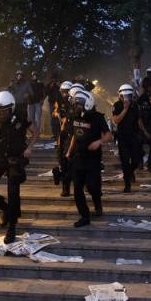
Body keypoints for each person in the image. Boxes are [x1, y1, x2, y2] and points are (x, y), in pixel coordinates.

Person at [0, 91, 38, 244]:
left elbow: (35, 132)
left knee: (13, 190)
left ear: (11, 108)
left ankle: (12, 226)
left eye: (4, 110)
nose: (1, 114)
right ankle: (4, 207)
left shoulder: (22, 115)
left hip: (15, 157)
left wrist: (29, 147)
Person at [65, 90, 112, 227]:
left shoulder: (98, 117)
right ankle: (84, 216)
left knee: (92, 187)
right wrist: (69, 152)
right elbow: (75, 135)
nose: (77, 107)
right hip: (78, 157)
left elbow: (109, 135)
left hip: (93, 159)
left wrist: (98, 142)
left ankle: (98, 203)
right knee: (77, 189)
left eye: (79, 104)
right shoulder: (76, 117)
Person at [112, 84, 142, 192]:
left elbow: (138, 120)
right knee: (124, 161)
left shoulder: (135, 105)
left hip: (134, 136)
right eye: (124, 96)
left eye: (128, 95)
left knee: (136, 160)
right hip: (123, 137)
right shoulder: (117, 105)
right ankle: (127, 184)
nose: (126, 98)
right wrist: (125, 109)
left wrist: (143, 132)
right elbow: (116, 120)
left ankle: (130, 172)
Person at [52, 81, 73, 196]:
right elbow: (54, 111)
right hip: (62, 133)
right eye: (62, 92)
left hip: (73, 133)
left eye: (66, 92)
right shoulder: (59, 101)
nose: (64, 94)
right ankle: (65, 187)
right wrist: (57, 113)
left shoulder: (74, 102)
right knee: (62, 160)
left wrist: (68, 119)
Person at [46, 73, 62, 140]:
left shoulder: (60, 84)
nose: (54, 80)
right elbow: (47, 93)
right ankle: (54, 134)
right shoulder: (49, 85)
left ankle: (60, 133)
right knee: (52, 118)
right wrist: (51, 87)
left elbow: (63, 92)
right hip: (52, 103)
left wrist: (59, 86)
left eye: (55, 78)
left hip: (59, 103)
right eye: (53, 78)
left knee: (60, 117)